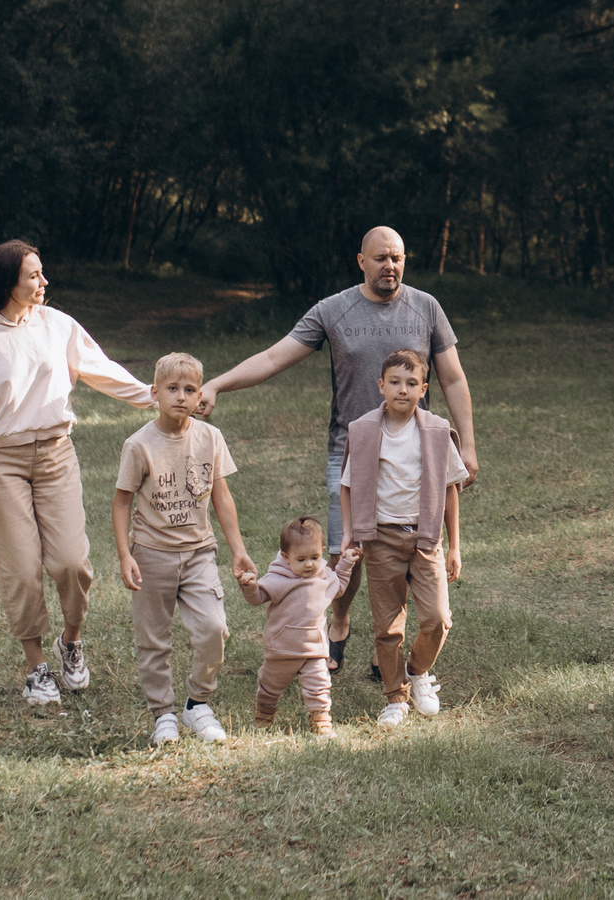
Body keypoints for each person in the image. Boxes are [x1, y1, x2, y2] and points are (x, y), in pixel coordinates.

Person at [198, 225, 476, 668]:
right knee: (346, 549)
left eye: (398, 258)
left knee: (412, 546)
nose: (390, 266)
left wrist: (468, 445)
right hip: (350, 450)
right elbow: (273, 357)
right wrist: (215, 384)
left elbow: (454, 377)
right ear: (361, 261)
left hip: (416, 451)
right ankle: (341, 621)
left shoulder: (427, 308)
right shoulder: (334, 310)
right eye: (381, 258)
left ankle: (392, 649)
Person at [0, 239, 155, 709]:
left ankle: (71, 641)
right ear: (9, 282)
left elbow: (101, 370)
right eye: (33, 276)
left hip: (55, 455)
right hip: (0, 459)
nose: (44, 282)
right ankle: (36, 668)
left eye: (42, 273)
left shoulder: (59, 325)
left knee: (72, 563)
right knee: (22, 570)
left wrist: (155, 395)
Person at [111, 352, 252, 747]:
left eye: (190, 389)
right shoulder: (139, 445)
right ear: (154, 393)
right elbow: (121, 502)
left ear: (200, 394)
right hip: (151, 553)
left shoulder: (210, 437)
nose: (181, 396)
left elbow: (222, 498)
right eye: (172, 389)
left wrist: (237, 549)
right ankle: (164, 713)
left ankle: (196, 702)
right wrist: (125, 554)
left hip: (198, 554)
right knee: (153, 638)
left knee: (214, 628)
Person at [337, 349, 463, 726]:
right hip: (381, 539)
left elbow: (450, 489)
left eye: (411, 384)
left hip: (426, 538)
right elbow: (347, 487)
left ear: (423, 389)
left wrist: (454, 544)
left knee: (438, 618)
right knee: (387, 626)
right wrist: (349, 534)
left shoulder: (437, 432)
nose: (403, 390)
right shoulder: (363, 431)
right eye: (395, 382)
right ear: (381, 386)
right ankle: (395, 698)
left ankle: (417, 671)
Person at [236, 518, 357, 737]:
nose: (309, 564)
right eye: (301, 559)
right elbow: (258, 598)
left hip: (314, 648)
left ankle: (321, 720)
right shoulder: (278, 578)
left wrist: (346, 564)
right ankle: (264, 713)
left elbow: (338, 588)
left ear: (321, 552)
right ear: (286, 557)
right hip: (282, 648)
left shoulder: (323, 576)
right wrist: (250, 586)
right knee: (270, 687)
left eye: (315, 557)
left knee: (319, 685)